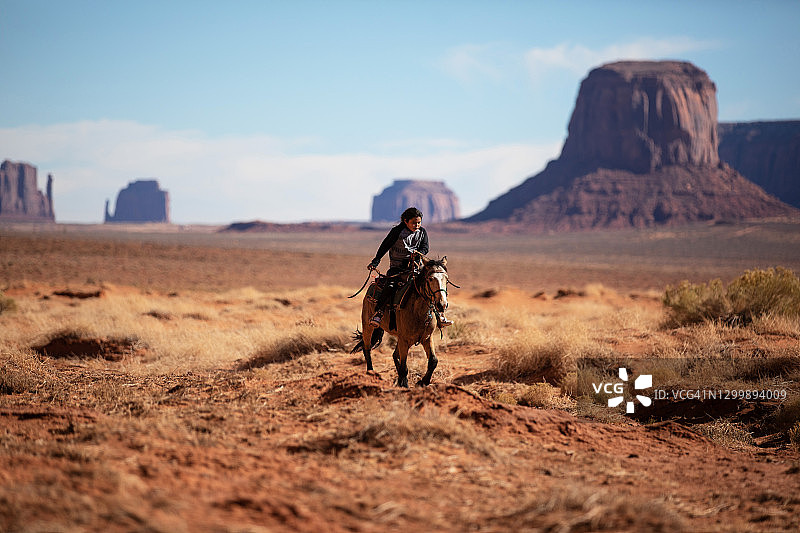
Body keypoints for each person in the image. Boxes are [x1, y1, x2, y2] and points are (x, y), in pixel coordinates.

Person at [367, 207, 453, 328]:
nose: (416, 225)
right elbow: (385, 246)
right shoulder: (397, 231)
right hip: (397, 268)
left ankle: (440, 315)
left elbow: (425, 247)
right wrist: (376, 261)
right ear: (405, 221)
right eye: (414, 223)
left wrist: (418, 253)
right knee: (390, 286)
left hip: (416, 267)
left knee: (431, 286)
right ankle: (379, 313)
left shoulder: (422, 232)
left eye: (419, 222)